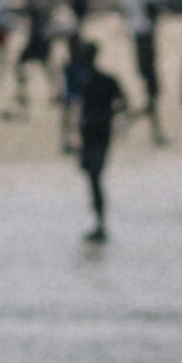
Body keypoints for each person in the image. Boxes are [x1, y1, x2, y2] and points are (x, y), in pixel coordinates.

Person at [57, 21, 127, 249]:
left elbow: (122, 104)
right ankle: (99, 223)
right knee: (93, 179)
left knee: (94, 179)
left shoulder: (97, 81)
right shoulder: (94, 80)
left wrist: (103, 116)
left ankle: (100, 223)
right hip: (93, 135)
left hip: (97, 135)